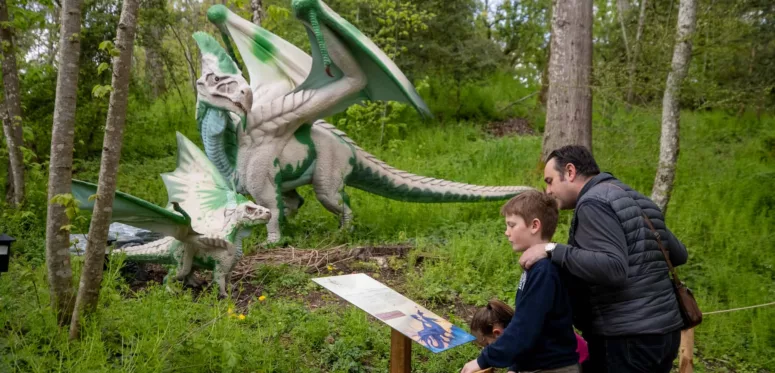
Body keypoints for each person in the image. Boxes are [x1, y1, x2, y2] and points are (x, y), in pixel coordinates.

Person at [518, 145, 689, 373]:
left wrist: (551, 249)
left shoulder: (593, 202)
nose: (547, 190)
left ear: (570, 171)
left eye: (550, 181)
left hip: (626, 337)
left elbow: (613, 268)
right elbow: (678, 254)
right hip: (665, 334)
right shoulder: (636, 198)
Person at [460, 191, 579, 373]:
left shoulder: (544, 271)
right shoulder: (535, 268)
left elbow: (525, 326)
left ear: (534, 226)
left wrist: (483, 360)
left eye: (512, 225)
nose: (506, 232)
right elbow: (532, 325)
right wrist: (516, 366)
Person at [469, 299, 590, 370]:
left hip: (580, 361)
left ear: (497, 333)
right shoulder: (520, 328)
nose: (486, 349)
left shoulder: (520, 338)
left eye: (486, 344)